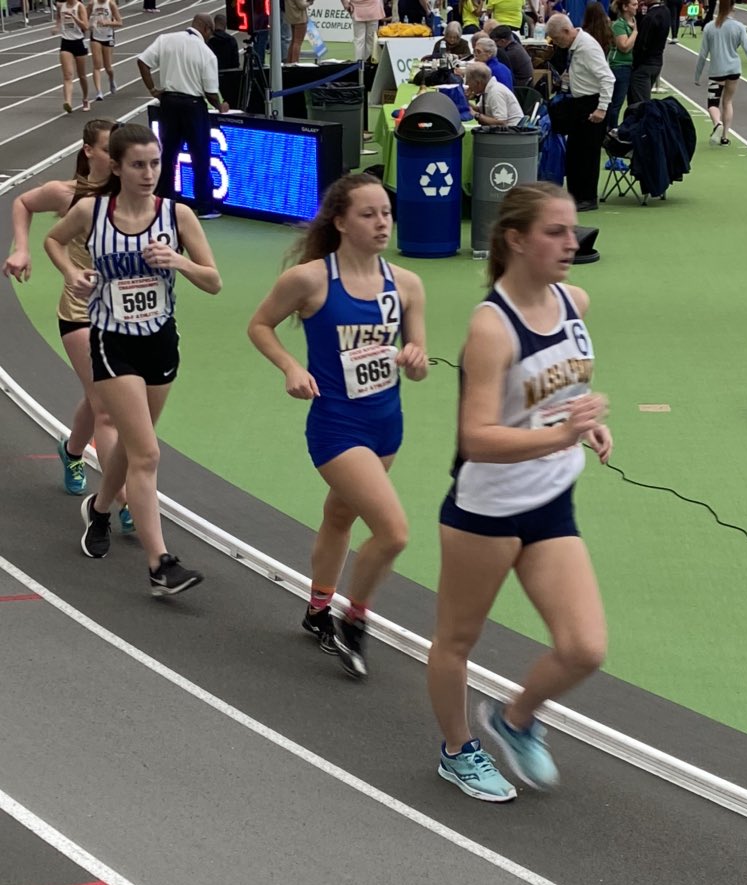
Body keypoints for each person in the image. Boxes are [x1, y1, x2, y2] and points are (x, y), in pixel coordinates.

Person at [427, 181, 610, 802]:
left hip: (550, 502)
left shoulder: (574, 301)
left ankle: (516, 716)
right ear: (515, 240)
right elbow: (476, 438)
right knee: (456, 641)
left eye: (572, 229)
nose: (570, 241)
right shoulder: (492, 328)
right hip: (488, 511)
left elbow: (556, 390)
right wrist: (563, 435)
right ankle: (456, 750)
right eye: (555, 231)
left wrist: (587, 421)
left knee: (585, 647)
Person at [247, 173, 428, 680]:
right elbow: (259, 326)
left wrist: (414, 359)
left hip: (387, 425)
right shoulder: (310, 280)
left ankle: (316, 609)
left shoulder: (407, 285)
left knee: (340, 517)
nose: (381, 223)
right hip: (336, 427)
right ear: (341, 222)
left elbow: (419, 365)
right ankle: (355, 620)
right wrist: (290, 367)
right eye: (368, 214)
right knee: (392, 532)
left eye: (386, 213)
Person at [43, 123, 222, 595]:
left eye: (156, 163)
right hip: (111, 342)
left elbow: (213, 280)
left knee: (133, 447)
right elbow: (53, 241)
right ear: (116, 167)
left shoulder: (178, 217)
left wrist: (179, 261)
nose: (149, 174)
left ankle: (99, 512)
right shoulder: (91, 211)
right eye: (138, 165)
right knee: (147, 452)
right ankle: (160, 564)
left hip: (160, 341)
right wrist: (71, 274)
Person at [2, 119, 132, 530]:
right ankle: (126, 502)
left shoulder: (131, 195)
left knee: (100, 403)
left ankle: (73, 451)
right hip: (79, 313)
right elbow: (22, 202)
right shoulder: (68, 194)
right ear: (89, 151)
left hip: (125, 315)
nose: (116, 157)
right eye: (110, 149)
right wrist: (22, 249)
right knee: (108, 410)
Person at [137, 14, 229, 221]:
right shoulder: (206, 53)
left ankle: (163, 201)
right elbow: (210, 91)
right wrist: (220, 106)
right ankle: (204, 206)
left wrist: (152, 89)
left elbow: (142, 61)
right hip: (193, 106)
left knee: (167, 155)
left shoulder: (166, 39)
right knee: (200, 157)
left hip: (168, 103)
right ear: (206, 29)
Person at [546, 14, 615, 212]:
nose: (558, 44)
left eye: (558, 39)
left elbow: (607, 78)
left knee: (588, 154)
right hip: (579, 102)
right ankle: (575, 195)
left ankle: (587, 198)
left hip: (592, 104)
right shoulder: (575, 47)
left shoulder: (587, 48)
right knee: (575, 153)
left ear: (568, 32)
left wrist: (601, 108)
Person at [694, 0, 747, 146]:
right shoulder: (739, 27)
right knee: (727, 102)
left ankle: (717, 124)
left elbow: (703, 54)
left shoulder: (709, 27)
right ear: (733, 7)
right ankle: (725, 136)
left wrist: (697, 75)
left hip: (717, 71)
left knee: (713, 103)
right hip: (734, 70)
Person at [628, 0, 669, 105]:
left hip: (644, 65)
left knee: (640, 105)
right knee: (641, 102)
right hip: (657, 62)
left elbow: (642, 44)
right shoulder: (665, 11)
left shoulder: (650, 17)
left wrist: (634, 63)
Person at [53, 0, 90, 113]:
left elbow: (86, 26)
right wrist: (57, 27)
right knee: (68, 75)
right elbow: (59, 19)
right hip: (66, 42)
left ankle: (85, 99)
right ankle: (68, 102)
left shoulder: (80, 7)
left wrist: (74, 17)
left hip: (78, 42)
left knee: (82, 75)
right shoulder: (61, 6)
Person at [607, 0, 638, 131]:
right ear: (625, 7)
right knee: (616, 103)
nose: (637, 7)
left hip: (629, 66)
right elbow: (624, 47)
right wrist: (635, 32)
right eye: (634, 4)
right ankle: (612, 130)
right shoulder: (619, 25)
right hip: (619, 66)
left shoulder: (634, 21)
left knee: (620, 102)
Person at [87, 0, 122, 101]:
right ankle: (99, 91)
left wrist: (108, 22)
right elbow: (84, 21)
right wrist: (90, 25)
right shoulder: (92, 4)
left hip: (108, 37)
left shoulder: (111, 4)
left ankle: (111, 79)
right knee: (97, 65)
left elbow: (120, 22)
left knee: (108, 67)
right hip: (95, 37)